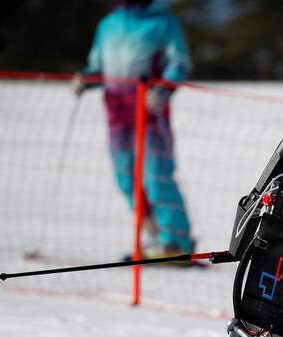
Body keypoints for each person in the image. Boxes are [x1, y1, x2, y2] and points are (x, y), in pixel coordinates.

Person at [74, 0, 195, 258]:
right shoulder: (107, 25)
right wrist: (86, 78)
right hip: (117, 113)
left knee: (156, 176)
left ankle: (176, 242)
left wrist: (163, 89)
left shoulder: (162, 20)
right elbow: (98, 66)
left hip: (150, 111)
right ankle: (154, 236)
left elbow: (179, 62)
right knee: (125, 177)